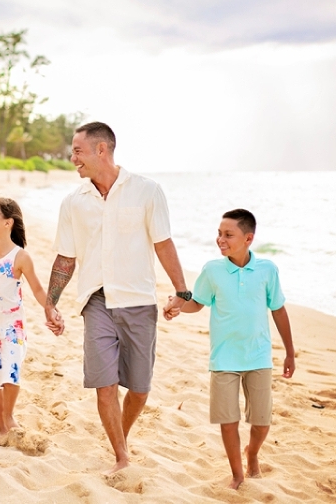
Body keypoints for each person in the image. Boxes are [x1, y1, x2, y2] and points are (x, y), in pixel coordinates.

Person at [44, 121, 191, 474]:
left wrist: (182, 292)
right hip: (96, 301)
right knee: (105, 385)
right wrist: (51, 301)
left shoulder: (146, 191)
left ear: (101, 150)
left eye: (78, 150)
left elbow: (162, 243)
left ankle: (119, 437)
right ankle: (121, 455)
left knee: (139, 388)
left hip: (138, 301)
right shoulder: (73, 202)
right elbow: (66, 257)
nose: (72, 157)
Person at [165, 208, 295, 490]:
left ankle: (253, 453)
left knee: (261, 422)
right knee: (228, 421)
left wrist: (289, 351)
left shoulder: (267, 270)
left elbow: (278, 310)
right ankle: (237, 474)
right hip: (223, 357)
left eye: (228, 235)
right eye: (219, 234)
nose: (220, 240)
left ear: (248, 238)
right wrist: (178, 306)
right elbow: (197, 302)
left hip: (258, 356)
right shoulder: (212, 270)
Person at [0, 197, 62, 443]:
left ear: (8, 223)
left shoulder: (20, 257)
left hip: (12, 325)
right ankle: (3, 427)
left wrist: (51, 309)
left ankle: (9, 417)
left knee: (11, 374)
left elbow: (38, 290)